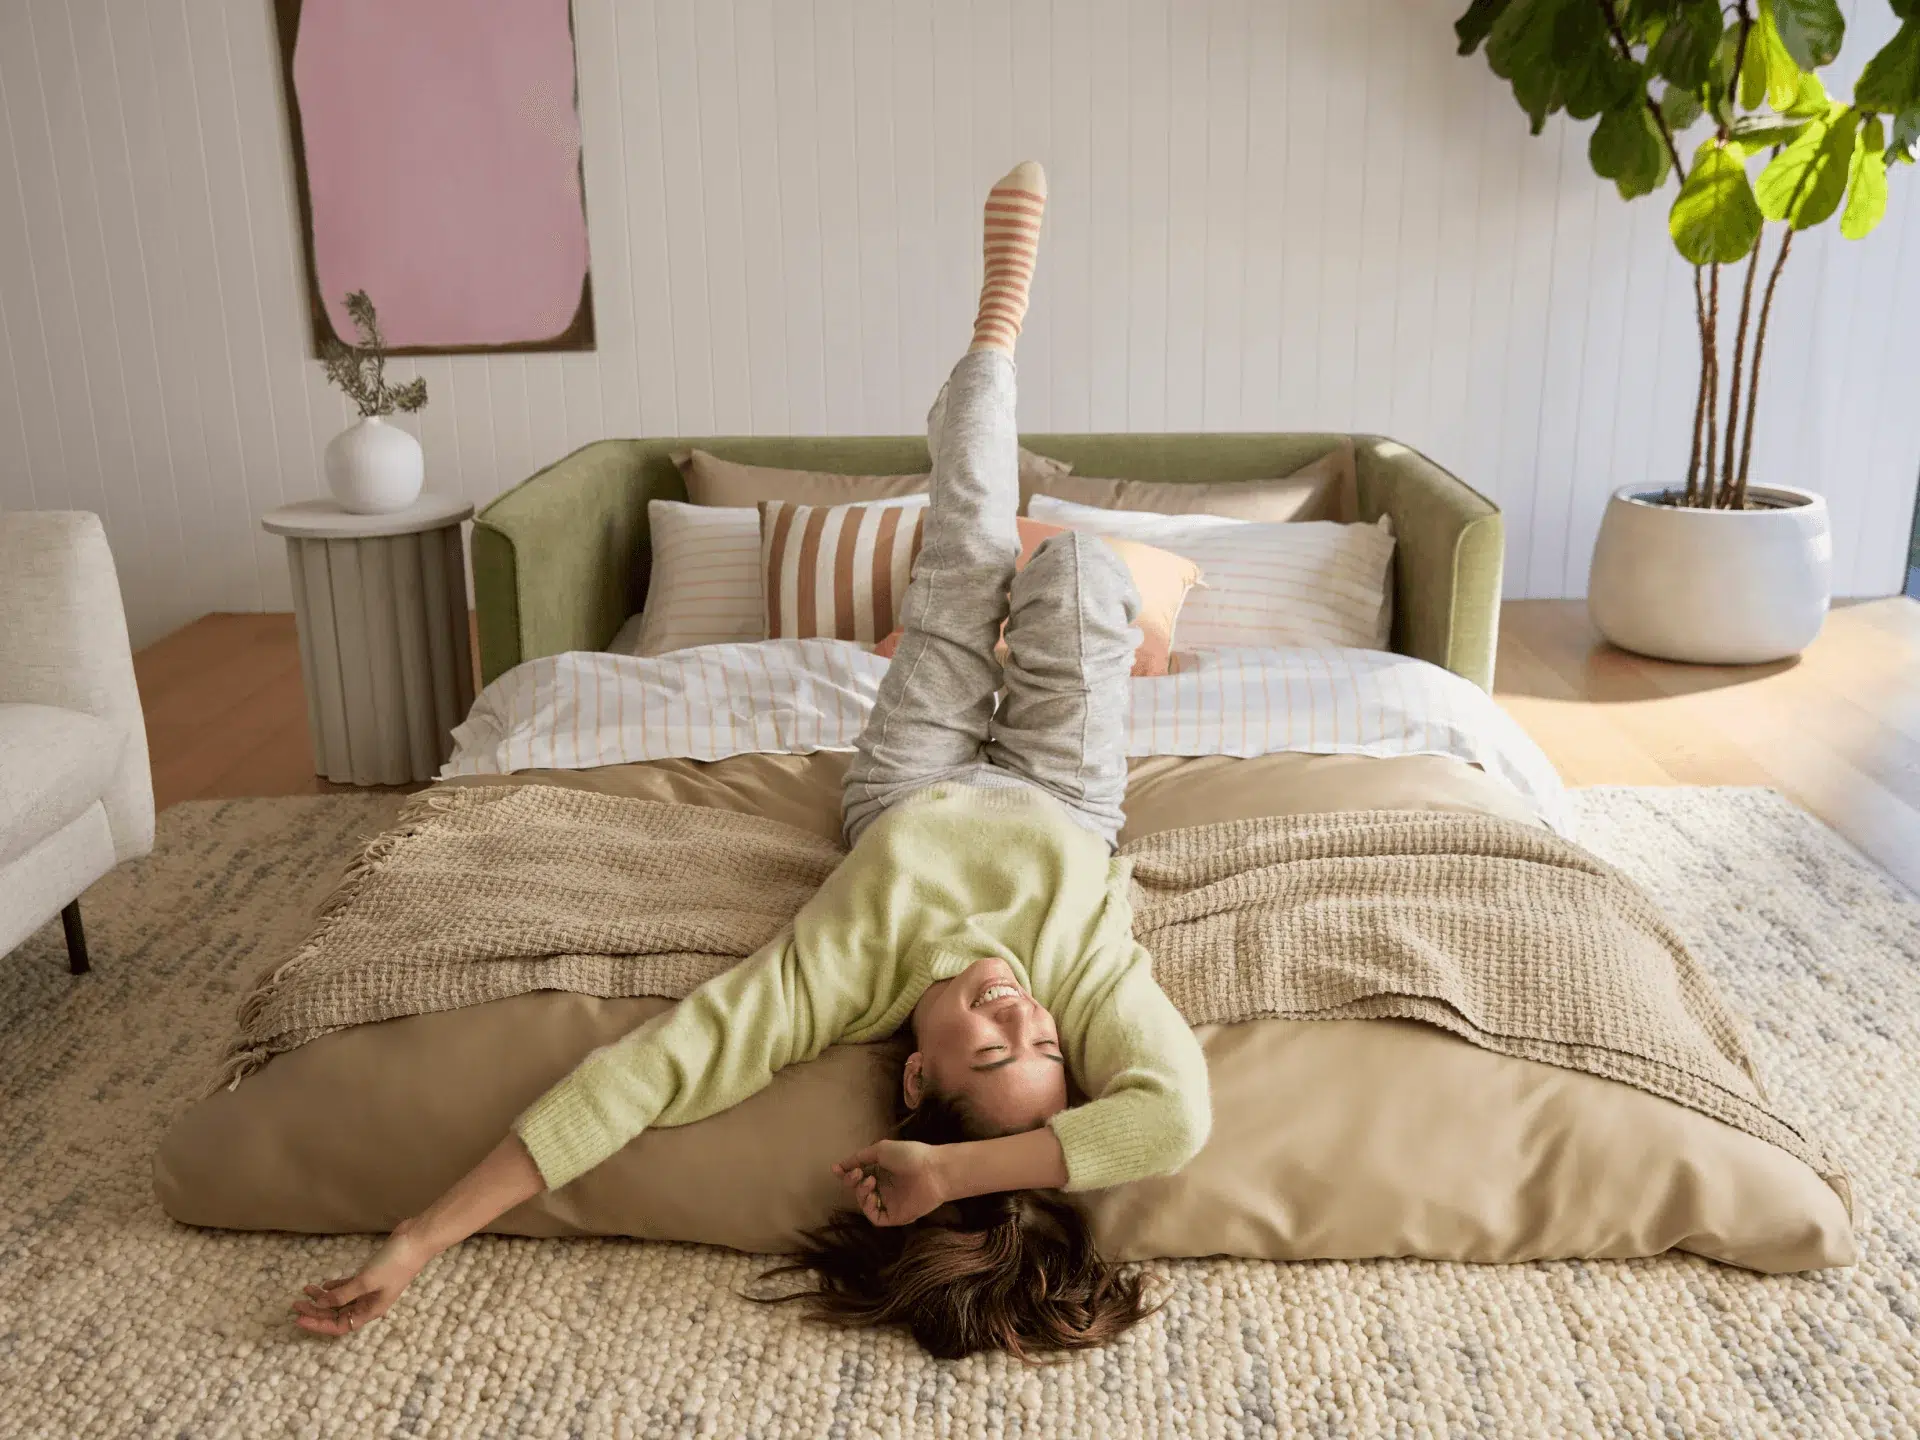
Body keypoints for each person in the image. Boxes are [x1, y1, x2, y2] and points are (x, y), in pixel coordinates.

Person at [290, 162, 1212, 1360]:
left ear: (919, 1080)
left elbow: (648, 1076)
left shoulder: (843, 973)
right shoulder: (1080, 982)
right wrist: (977, 1164)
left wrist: (421, 1237)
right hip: (1068, 798)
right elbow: (1174, 1117)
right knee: (1083, 574)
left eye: (992, 1045)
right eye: (1040, 1043)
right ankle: (1028, 468)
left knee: (966, 543)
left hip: (912, 780)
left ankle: (995, 322)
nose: (1021, 1014)